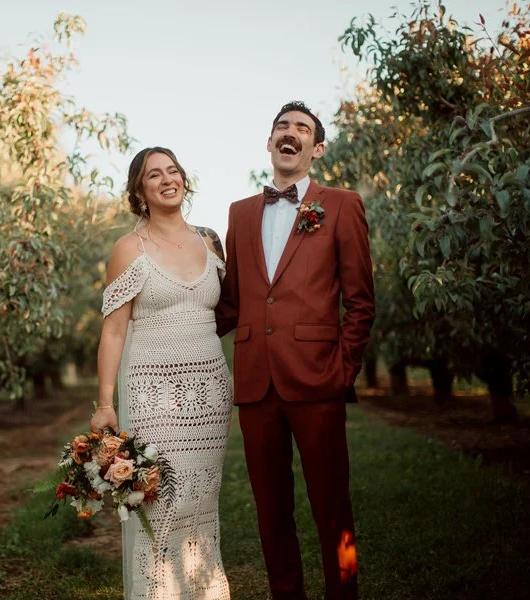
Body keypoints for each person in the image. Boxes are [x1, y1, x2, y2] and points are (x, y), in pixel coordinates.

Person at [216, 101, 375, 600]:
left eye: (302, 129)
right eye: (281, 126)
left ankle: (343, 593)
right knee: (270, 507)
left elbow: (360, 302)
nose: (290, 133)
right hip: (256, 383)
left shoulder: (342, 204)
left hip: (318, 378)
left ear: (317, 147)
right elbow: (233, 302)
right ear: (269, 143)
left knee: (333, 505)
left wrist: (342, 371)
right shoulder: (240, 213)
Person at [91, 147, 232, 600]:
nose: (168, 179)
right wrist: (106, 404)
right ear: (140, 191)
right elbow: (113, 333)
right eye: (155, 174)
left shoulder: (210, 242)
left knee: (201, 503)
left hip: (210, 394)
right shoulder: (129, 249)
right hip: (154, 394)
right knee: (162, 501)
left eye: (174, 170)